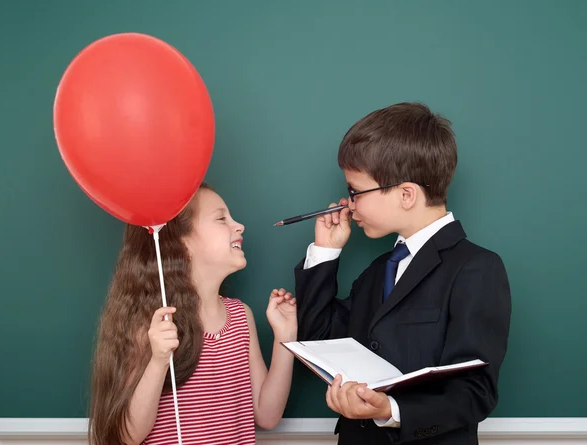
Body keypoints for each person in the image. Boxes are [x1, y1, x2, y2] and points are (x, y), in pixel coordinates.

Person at [294, 102, 512, 444]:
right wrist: (326, 251)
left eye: (356, 191)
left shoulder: (476, 268)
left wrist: (390, 411)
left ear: (406, 195)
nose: (348, 204)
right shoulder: (377, 271)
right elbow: (319, 337)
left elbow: (475, 392)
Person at [88, 183, 297, 445]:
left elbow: (267, 415)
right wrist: (158, 361)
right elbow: (127, 436)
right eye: (222, 219)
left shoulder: (241, 316)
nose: (239, 225)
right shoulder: (155, 324)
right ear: (180, 242)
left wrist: (285, 336)